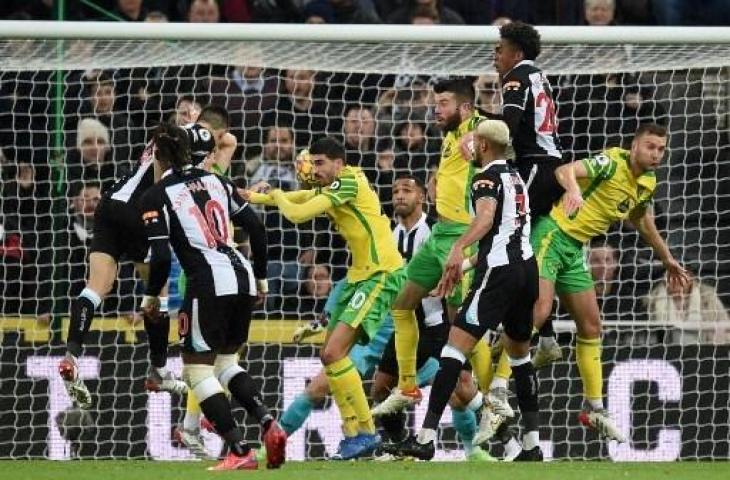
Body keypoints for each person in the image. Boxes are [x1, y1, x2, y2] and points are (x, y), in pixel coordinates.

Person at [278, 175, 493, 461]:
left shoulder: (436, 233)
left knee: (459, 390)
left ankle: (474, 451)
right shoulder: (384, 235)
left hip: (422, 328)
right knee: (327, 386)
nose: (400, 195)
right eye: (395, 190)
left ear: (422, 197)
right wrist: (323, 317)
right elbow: (353, 277)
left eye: (407, 190)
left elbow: (455, 274)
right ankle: (273, 441)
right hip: (376, 325)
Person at [383, 119, 542, 461]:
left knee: (453, 352)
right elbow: (504, 234)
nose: (469, 147)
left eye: (474, 142)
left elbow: (485, 220)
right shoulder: (515, 178)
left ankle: (425, 439)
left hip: (499, 273)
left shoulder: (484, 177)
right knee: (520, 357)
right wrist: (463, 267)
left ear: (483, 146)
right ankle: (531, 446)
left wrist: (458, 249)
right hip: (526, 271)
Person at [244, 137, 404, 459]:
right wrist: (252, 196)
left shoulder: (348, 183)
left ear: (338, 163)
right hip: (359, 277)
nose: (314, 170)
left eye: (320, 164)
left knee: (333, 353)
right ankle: (355, 435)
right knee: (330, 357)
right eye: (312, 163)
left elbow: (298, 214)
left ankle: (367, 434)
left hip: (380, 274)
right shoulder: (340, 182)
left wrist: (273, 194)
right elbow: (302, 195)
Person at [57, 106, 227, 409]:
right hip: (141, 213)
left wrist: (190, 123)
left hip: (110, 203)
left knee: (96, 287)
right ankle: (159, 370)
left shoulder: (170, 135)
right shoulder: (190, 145)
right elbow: (225, 143)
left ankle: (71, 355)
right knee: (157, 294)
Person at [139, 123, 286, 471]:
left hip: (207, 282)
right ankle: (268, 422)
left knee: (196, 371)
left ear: (157, 155)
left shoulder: (156, 196)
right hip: (243, 275)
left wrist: (151, 298)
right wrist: (262, 278)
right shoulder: (218, 181)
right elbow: (257, 227)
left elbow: (160, 257)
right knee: (226, 365)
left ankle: (238, 449)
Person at [529, 123, 689, 441]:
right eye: (650, 146)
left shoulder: (646, 182)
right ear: (634, 145)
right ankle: (497, 389)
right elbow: (565, 170)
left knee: (591, 327)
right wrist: (574, 190)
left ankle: (594, 410)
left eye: (661, 149)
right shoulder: (611, 162)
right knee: (539, 312)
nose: (655, 154)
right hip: (551, 235)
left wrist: (666, 257)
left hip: (575, 250)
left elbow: (641, 219)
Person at [372, 78, 492, 419]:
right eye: (435, 103)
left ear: (465, 107)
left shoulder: (479, 129)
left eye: (443, 104)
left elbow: (505, 128)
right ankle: (408, 385)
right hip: (440, 233)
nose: (435, 110)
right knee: (402, 303)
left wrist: (479, 130)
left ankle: (494, 398)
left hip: (462, 236)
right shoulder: (451, 134)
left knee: (463, 322)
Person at [492, 21, 566, 368]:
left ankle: (519, 326)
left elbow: (508, 126)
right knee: (522, 245)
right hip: (545, 166)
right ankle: (545, 335)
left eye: (499, 49)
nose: (495, 55)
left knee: (509, 238)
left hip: (537, 166)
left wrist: (474, 130)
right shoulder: (538, 76)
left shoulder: (517, 77)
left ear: (516, 53)